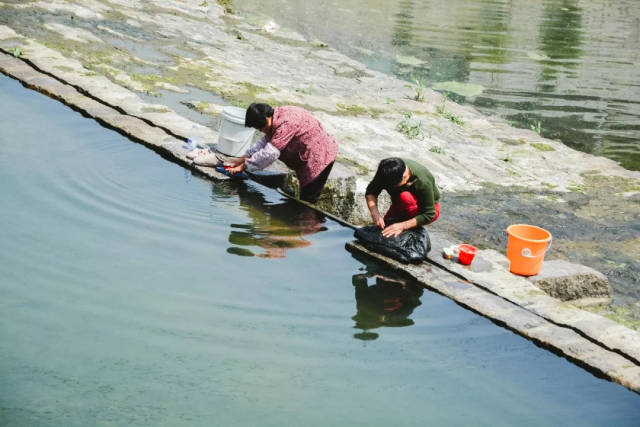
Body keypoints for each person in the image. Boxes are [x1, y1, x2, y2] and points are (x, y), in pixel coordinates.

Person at [227, 103, 338, 203]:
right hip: (308, 154)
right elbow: (265, 141)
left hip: (320, 157)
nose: (262, 131)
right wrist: (243, 158)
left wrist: (244, 166)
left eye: (261, 128)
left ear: (266, 119)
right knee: (304, 198)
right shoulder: (276, 115)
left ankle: (310, 224)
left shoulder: (286, 123)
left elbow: (269, 154)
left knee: (307, 202)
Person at [365, 157, 440, 238]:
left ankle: (407, 221)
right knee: (384, 231)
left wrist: (403, 225)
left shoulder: (423, 182)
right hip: (399, 204)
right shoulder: (387, 170)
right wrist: (375, 213)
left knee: (404, 197)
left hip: (428, 210)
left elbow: (429, 214)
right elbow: (371, 191)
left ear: (404, 177)